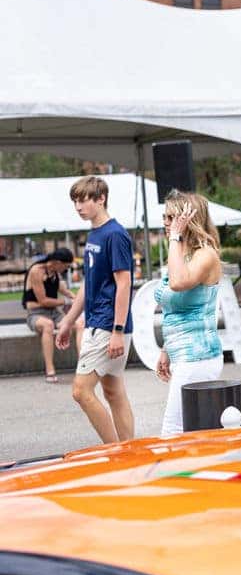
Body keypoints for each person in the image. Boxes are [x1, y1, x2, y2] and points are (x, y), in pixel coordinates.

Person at [56, 176, 135, 444]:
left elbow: (124, 284)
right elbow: (89, 283)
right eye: (75, 202)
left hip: (107, 325)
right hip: (99, 322)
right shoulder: (95, 234)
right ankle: (128, 451)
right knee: (113, 391)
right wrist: (68, 321)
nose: (78, 207)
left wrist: (117, 331)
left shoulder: (115, 234)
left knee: (81, 391)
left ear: (101, 199)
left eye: (83, 200)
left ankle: (114, 451)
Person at [154, 191, 224, 437]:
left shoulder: (205, 255)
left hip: (198, 355)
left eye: (172, 217)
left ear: (189, 220)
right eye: (164, 217)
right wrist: (166, 349)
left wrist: (175, 237)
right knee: (194, 432)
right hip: (184, 356)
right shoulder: (182, 255)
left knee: (172, 432)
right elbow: (175, 310)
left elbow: (177, 283)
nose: (166, 223)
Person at [22, 248, 80, 383]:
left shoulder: (55, 273)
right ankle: (50, 370)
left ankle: (83, 366)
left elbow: (65, 291)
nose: (66, 270)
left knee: (79, 324)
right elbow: (43, 301)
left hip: (54, 313)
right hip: (36, 313)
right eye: (66, 267)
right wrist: (66, 301)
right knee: (48, 325)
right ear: (58, 262)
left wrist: (77, 299)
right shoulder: (37, 271)